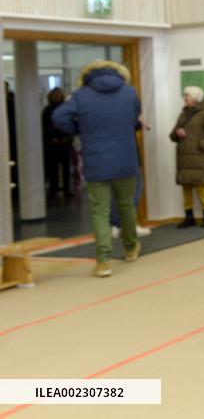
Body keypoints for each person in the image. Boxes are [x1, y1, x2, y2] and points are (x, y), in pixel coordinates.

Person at [52, 60, 141, 277]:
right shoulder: (129, 92)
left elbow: (58, 116)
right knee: (126, 205)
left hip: (96, 161)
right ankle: (130, 248)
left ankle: (103, 261)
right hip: (126, 160)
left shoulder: (81, 95)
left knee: (99, 210)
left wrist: (79, 129)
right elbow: (134, 118)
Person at [170, 86, 204, 228]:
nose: (185, 98)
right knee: (185, 188)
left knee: (201, 188)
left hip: (198, 158)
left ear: (196, 98)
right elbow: (173, 134)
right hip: (184, 159)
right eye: (184, 95)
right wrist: (176, 133)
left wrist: (201, 145)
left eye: (188, 96)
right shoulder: (183, 114)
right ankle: (189, 216)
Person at [41, 87, 73, 198]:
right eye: (55, 95)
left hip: (65, 142)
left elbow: (71, 124)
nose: (57, 96)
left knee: (66, 168)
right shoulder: (47, 110)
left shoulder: (66, 109)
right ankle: (53, 189)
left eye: (59, 94)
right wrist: (51, 138)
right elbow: (45, 127)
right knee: (52, 168)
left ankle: (67, 189)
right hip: (51, 144)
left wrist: (68, 137)